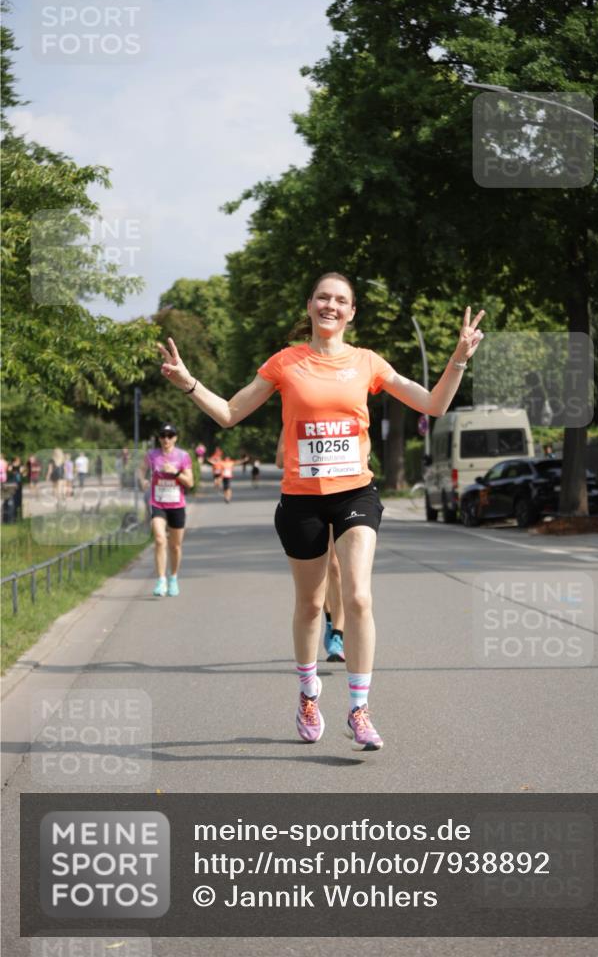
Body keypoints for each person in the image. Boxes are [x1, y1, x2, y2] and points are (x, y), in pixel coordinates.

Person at [158, 272, 484, 750]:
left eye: (341, 300)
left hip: (356, 493)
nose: (331, 305)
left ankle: (359, 708)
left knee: (358, 597)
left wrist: (458, 359)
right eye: (323, 298)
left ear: (352, 313)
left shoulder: (368, 363)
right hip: (301, 499)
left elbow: (432, 404)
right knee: (311, 605)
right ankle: (309, 692)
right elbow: (229, 413)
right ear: (310, 305)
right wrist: (188, 383)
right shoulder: (285, 363)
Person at [277, 429, 345, 661]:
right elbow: (279, 460)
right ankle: (328, 617)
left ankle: (338, 633)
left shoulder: (343, 414)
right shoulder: (297, 418)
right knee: (322, 568)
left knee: (336, 566)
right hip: (308, 498)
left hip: (343, 495)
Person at [139, 423, 193, 597]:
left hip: (177, 505)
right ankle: (161, 580)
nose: (166, 439)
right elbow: (140, 470)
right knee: (160, 540)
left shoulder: (183, 456)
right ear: (159, 438)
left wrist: (175, 472)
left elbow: (190, 483)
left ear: (175, 438)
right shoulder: (152, 455)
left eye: (170, 435)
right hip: (158, 503)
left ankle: (173, 578)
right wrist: (142, 480)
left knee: (175, 546)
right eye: (163, 435)